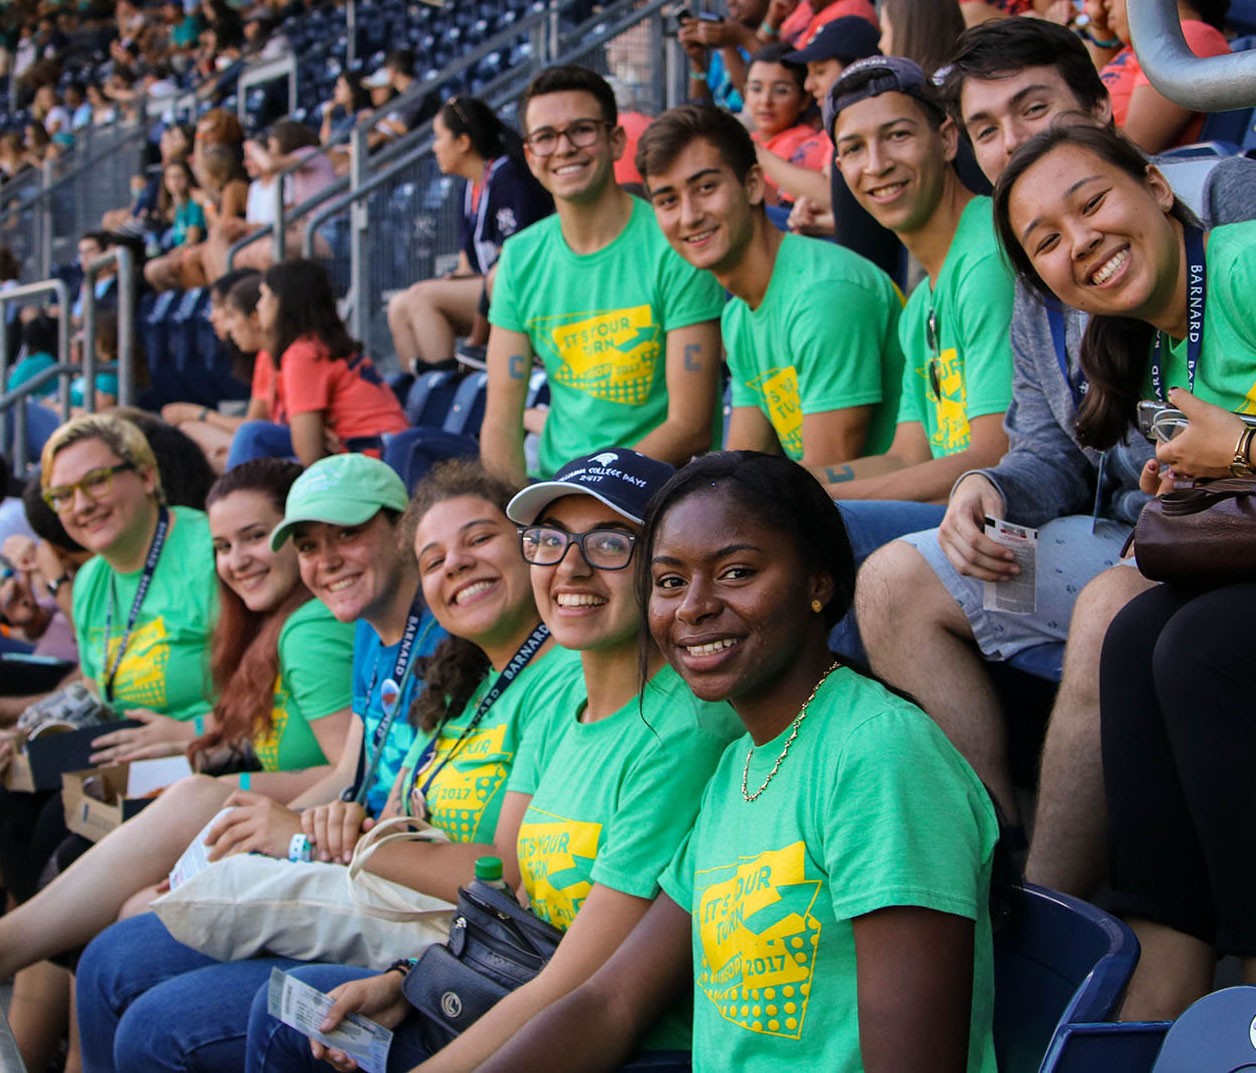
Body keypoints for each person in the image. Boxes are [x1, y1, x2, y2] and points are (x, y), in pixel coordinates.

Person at [855, 16, 1256, 896]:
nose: (1012, 143)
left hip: (1206, 535)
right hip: (1135, 529)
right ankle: (985, 860)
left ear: (1103, 113)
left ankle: (1057, 899)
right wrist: (984, 485)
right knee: (890, 579)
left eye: (1033, 110)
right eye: (989, 129)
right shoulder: (1036, 274)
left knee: (1117, 607)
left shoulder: (1224, 205)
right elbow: (1050, 454)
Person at [472, 450, 998, 1072]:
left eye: (737, 572)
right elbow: (611, 1001)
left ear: (818, 582)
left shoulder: (879, 754)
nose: (693, 606)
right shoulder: (737, 768)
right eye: (669, 582)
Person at [235, 449, 739, 1072]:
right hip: (520, 984)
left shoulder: (685, 729)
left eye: (610, 542)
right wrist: (410, 979)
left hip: (616, 1042)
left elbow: (586, 992)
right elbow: (511, 897)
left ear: (668, 568)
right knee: (289, 1015)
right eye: (550, 540)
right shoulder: (567, 708)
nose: (572, 567)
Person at [0, 458, 357, 982]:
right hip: (268, 806)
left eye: (255, 537)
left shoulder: (311, 630)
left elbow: (350, 775)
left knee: (115, 875)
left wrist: (219, 786)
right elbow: (272, 727)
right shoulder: (268, 623)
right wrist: (196, 744)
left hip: (319, 831)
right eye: (222, 547)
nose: (236, 562)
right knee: (72, 825)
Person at [483, 65, 725, 484]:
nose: (564, 148)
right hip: (558, 487)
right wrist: (512, 517)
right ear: (530, 155)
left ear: (615, 141)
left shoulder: (673, 245)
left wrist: (587, 490)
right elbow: (501, 422)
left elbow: (691, 426)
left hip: (659, 489)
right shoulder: (520, 259)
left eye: (581, 130)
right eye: (545, 137)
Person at [636, 103, 904, 472]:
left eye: (706, 188)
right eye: (668, 200)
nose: (689, 215)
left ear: (753, 185)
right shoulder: (737, 315)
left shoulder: (822, 293)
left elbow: (829, 479)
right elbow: (743, 463)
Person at [821, 56, 1013, 529]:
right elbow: (906, 456)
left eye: (897, 136)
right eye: (855, 149)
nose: (878, 165)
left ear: (947, 139)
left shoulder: (986, 257)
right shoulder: (922, 299)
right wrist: (795, 481)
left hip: (1010, 521)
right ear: (841, 167)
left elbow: (995, 453)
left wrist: (818, 499)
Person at [386, 96, 554, 372]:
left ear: (463, 142)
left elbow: (513, 264)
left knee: (422, 298)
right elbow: (467, 262)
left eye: (439, 137)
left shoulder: (507, 178)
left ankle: (447, 384)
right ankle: (420, 392)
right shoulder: (467, 188)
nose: (434, 147)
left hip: (515, 291)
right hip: (482, 289)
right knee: (398, 305)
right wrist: (454, 277)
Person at [227, 259, 409, 469]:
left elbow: (309, 455)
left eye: (265, 296)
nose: (259, 306)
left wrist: (312, 436)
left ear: (283, 302)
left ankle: (229, 498)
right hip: (372, 453)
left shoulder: (303, 354)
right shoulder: (314, 345)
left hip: (371, 461)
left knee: (253, 436)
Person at [1082, 0, 1230, 154]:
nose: (1105, 5)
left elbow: (1134, 147)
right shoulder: (1139, 49)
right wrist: (1100, 27)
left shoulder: (1186, 35)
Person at [744, 44, 829, 203]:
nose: (765, 101)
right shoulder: (751, 138)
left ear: (804, 99)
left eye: (781, 90)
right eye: (756, 89)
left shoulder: (804, 144)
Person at [678, 0, 768, 112]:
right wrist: (697, 63)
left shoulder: (782, 37)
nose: (731, 2)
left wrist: (741, 37)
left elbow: (760, 104)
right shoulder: (727, 41)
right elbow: (698, 110)